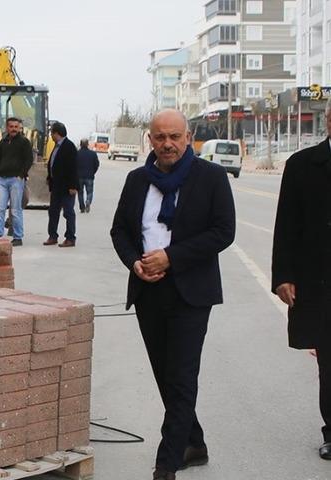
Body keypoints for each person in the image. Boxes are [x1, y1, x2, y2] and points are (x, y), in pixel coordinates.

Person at [111, 109, 235, 480]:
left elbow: (223, 232)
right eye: (160, 137)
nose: (167, 144)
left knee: (181, 376)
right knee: (165, 375)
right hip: (148, 292)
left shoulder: (210, 177)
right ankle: (193, 442)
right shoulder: (137, 180)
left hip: (190, 294)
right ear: (150, 140)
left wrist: (171, 258)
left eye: (175, 137)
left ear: (188, 137)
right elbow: (120, 231)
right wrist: (135, 262)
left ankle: (167, 464)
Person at [272, 99, 331, 461]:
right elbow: (286, 226)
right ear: (328, 120)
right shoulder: (302, 166)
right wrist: (283, 276)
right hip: (320, 281)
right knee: (329, 361)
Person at [0, 117, 33, 247]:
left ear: (20, 128)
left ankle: (17, 237)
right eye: (11, 126)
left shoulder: (24, 142)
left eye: (16, 127)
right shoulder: (2, 142)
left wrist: (22, 174)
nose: (14, 129)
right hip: (1, 180)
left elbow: (29, 159)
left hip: (16, 179)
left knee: (15, 209)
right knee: (0, 208)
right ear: (7, 128)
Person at [43, 121, 79, 247]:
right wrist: (49, 177)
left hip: (67, 187)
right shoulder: (56, 146)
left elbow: (74, 168)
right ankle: (52, 236)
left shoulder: (69, 147)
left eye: (52, 133)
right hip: (56, 186)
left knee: (68, 212)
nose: (51, 136)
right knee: (53, 211)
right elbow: (53, 164)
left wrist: (73, 186)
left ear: (56, 133)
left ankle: (70, 238)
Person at [76, 138, 100, 213]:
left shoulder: (76, 153)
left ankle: (82, 207)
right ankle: (88, 201)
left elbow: (73, 165)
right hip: (89, 176)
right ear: (87, 144)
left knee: (80, 192)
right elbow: (96, 164)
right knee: (90, 192)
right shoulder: (93, 154)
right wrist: (93, 172)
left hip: (79, 176)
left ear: (80, 144)